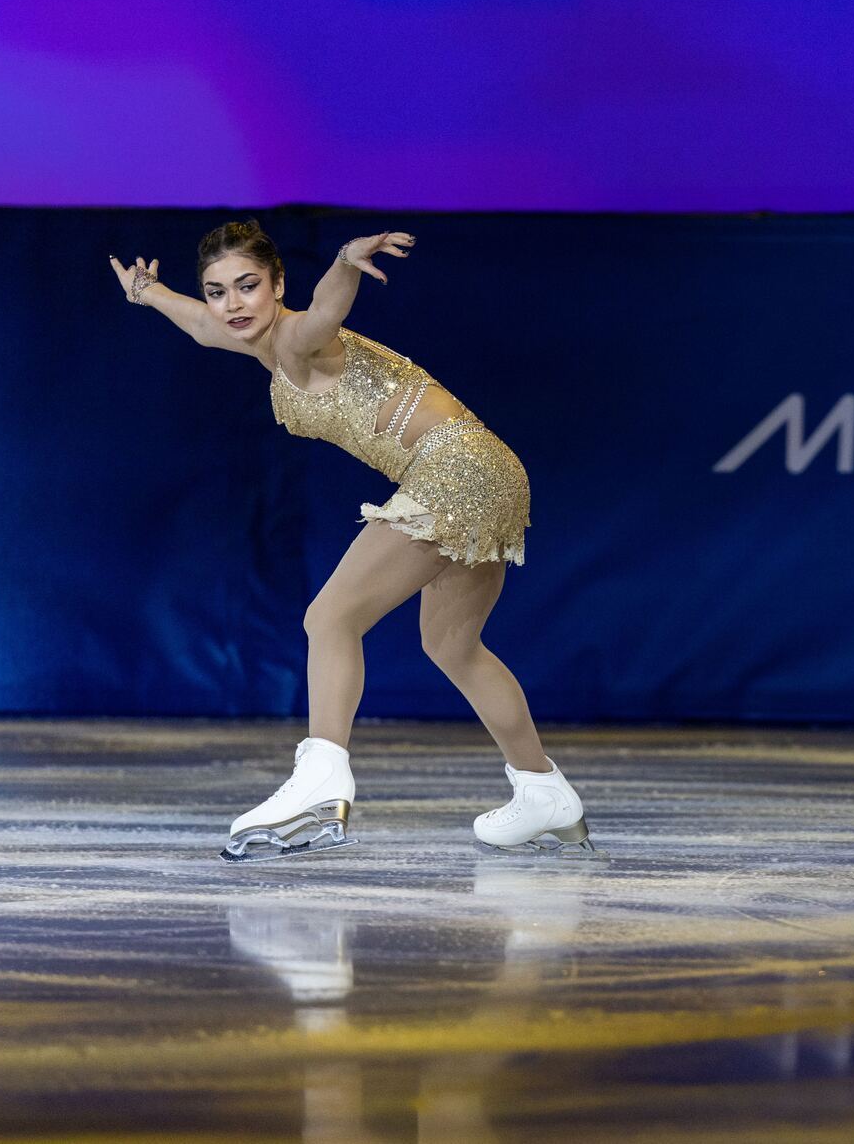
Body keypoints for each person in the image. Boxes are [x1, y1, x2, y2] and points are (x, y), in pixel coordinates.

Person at [109, 220, 595, 862]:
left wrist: (342, 263)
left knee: (329, 619)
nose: (232, 304)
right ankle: (543, 792)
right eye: (218, 291)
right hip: (488, 467)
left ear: (279, 284)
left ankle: (321, 782)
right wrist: (147, 292)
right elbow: (202, 325)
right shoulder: (257, 340)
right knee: (452, 645)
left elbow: (324, 315)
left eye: (248, 286)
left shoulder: (296, 338)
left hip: (455, 469)